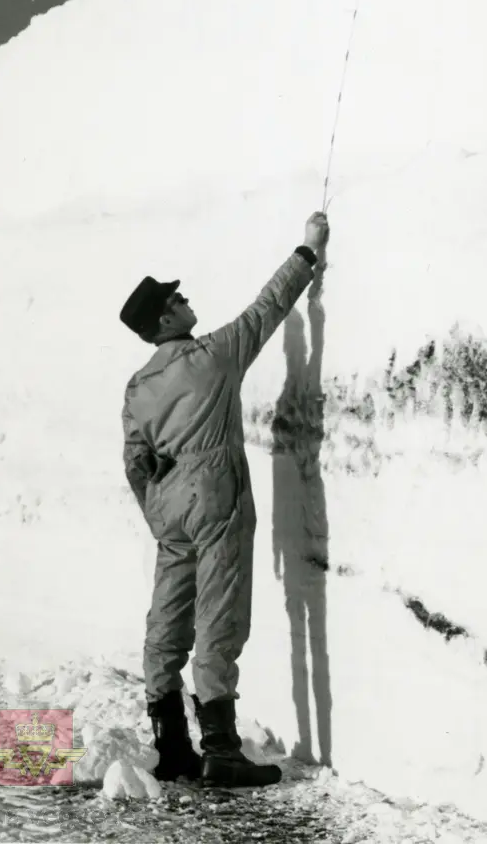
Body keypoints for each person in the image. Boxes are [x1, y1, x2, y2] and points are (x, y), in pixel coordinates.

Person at [119, 211, 330, 788]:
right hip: (216, 502)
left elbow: (135, 461)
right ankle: (221, 749)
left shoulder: (138, 387)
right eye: (178, 298)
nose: (187, 300)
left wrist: (160, 514)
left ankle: (172, 748)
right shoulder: (211, 356)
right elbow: (267, 309)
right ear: (167, 318)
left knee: (166, 625)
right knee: (219, 619)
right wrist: (308, 253)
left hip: (170, 514)